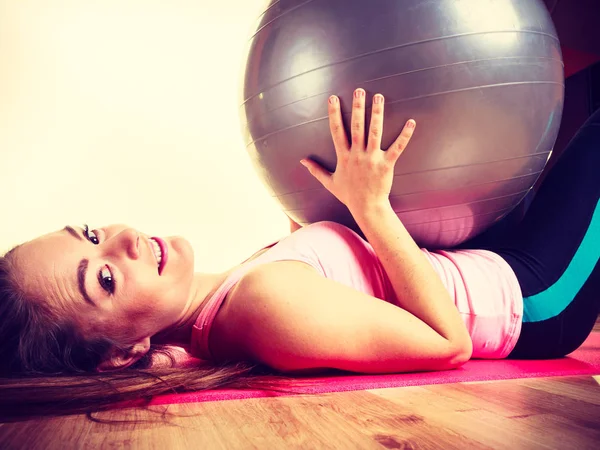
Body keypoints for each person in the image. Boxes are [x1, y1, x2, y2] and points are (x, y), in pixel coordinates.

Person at [1, 89, 598, 419]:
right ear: (119, 356)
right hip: (532, 297)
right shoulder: (264, 306)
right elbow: (449, 344)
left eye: (89, 231)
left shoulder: (236, 291)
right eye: (103, 278)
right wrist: (372, 209)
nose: (124, 239)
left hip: (490, 252)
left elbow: (350, 277)